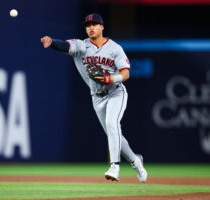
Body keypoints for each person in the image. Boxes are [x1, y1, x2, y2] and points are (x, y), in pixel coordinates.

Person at [41, 14, 147, 182]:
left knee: (113, 125)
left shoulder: (114, 48)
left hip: (116, 92)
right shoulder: (81, 46)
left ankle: (114, 167)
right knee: (113, 133)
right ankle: (135, 161)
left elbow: (125, 73)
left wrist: (110, 79)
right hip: (96, 98)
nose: (90, 27)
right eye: (88, 25)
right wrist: (52, 42)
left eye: (94, 24)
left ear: (102, 27)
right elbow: (65, 45)